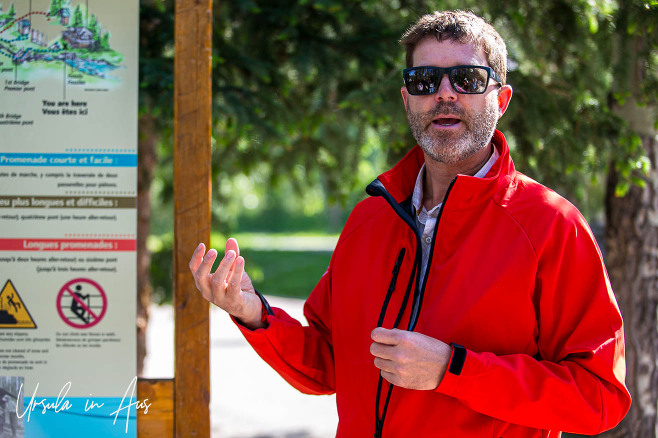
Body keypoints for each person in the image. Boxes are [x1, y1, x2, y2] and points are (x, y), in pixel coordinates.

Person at [190, 10, 631, 437]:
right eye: (424, 81)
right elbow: (329, 363)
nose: (444, 93)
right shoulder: (370, 218)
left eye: (467, 79)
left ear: (501, 99)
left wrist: (453, 369)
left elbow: (599, 396)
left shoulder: (551, 225)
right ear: (407, 100)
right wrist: (254, 314)